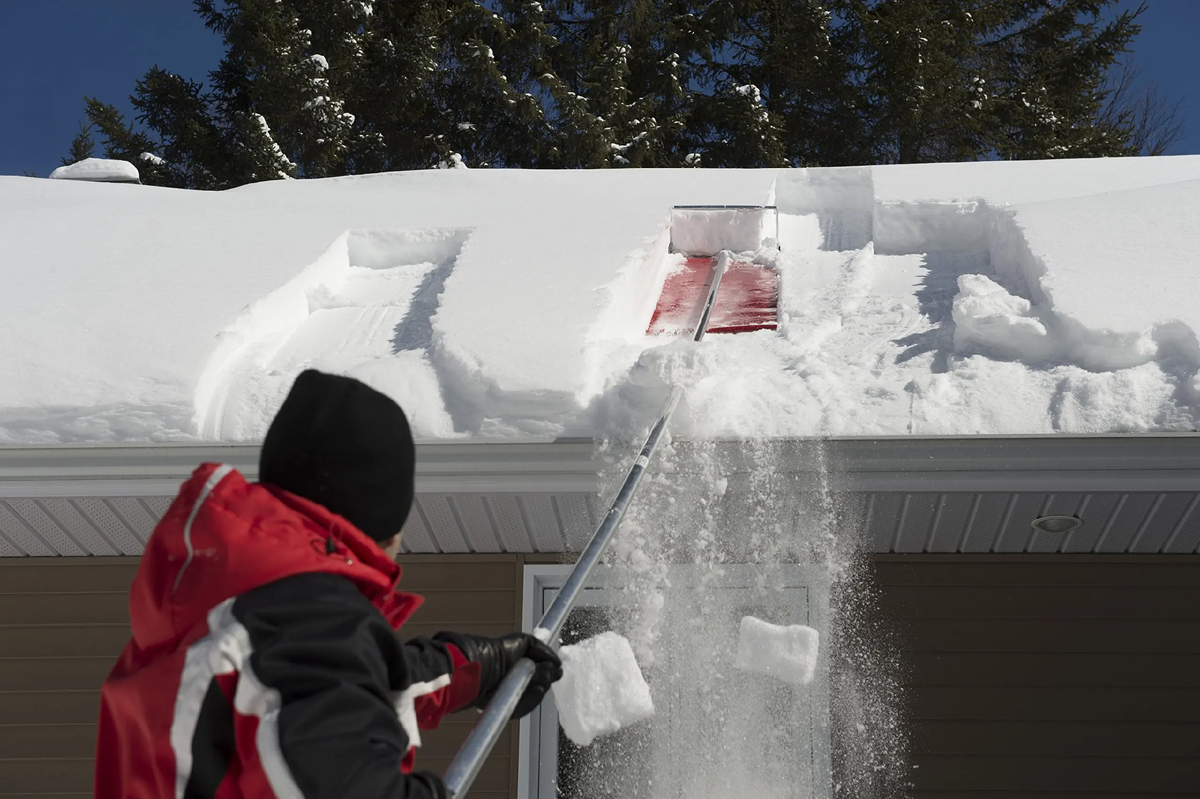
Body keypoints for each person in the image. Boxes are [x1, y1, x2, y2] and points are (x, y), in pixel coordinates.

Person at [95, 370, 562, 799]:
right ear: (387, 524)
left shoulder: (229, 603)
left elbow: (320, 698)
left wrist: (473, 670)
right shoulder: (307, 617)